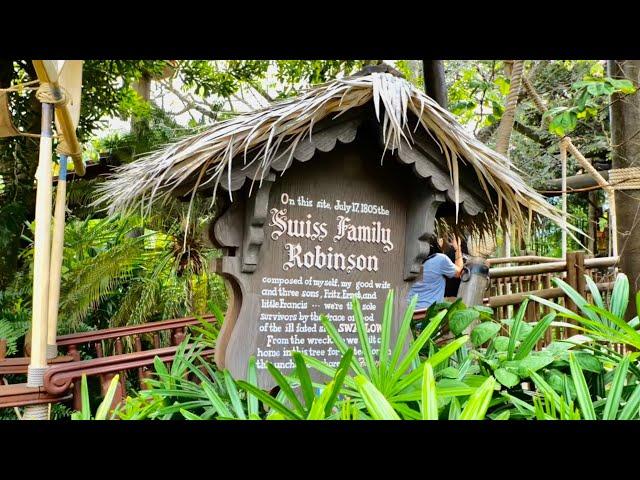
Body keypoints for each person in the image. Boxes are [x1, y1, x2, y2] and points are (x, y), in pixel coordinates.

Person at [407, 234, 464, 309]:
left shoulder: (408, 259)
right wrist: (457, 248)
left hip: (408, 313)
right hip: (430, 314)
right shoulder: (439, 259)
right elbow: (458, 272)